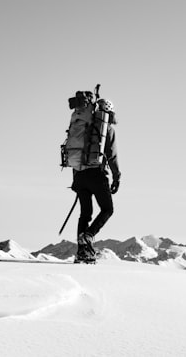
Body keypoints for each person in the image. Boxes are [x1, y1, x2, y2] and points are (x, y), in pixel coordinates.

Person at [73, 97, 122, 264]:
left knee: (85, 214)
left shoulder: (82, 125)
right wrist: (117, 176)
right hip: (97, 175)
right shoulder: (106, 129)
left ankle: (82, 253)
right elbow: (112, 155)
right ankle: (89, 236)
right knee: (107, 209)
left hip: (79, 175)